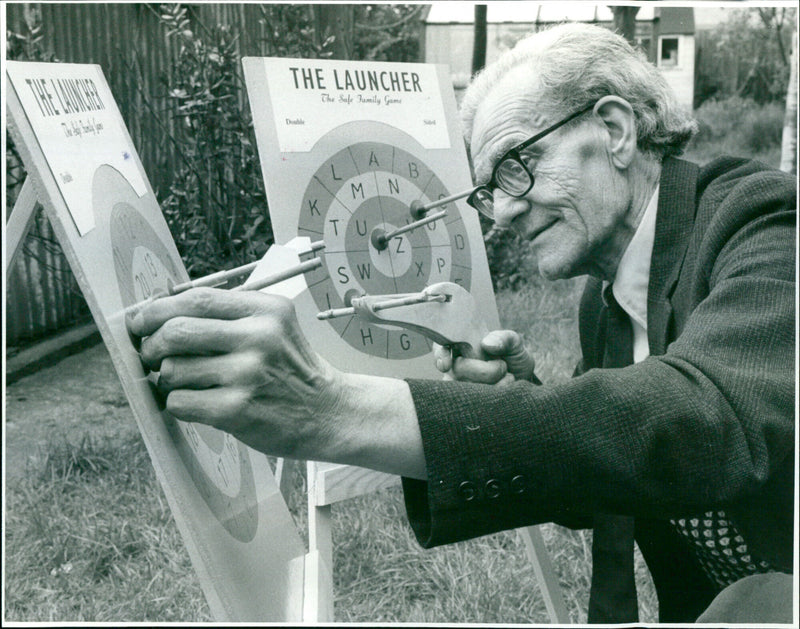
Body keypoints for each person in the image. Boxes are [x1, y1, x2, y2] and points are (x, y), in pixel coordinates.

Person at [127, 23, 795, 624]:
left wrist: (331, 408)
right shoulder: (606, 302)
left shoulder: (763, 221)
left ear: (614, 130)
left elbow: (703, 420)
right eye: (488, 191)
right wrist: (519, 403)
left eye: (515, 166)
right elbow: (619, 478)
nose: (501, 212)